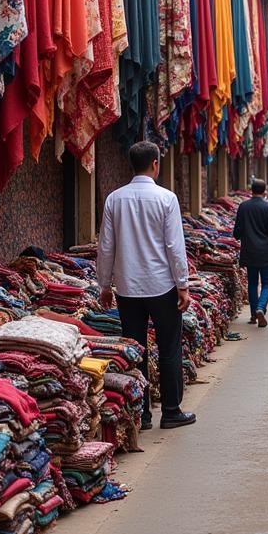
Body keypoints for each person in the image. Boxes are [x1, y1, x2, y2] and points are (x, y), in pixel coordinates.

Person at [97, 141, 195, 430]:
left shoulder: (115, 199)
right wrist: (183, 284)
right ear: (155, 163)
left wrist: (104, 284)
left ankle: (141, 414)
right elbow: (175, 246)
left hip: (127, 289)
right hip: (162, 286)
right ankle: (171, 410)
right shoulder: (167, 198)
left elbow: (106, 246)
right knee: (169, 348)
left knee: (135, 350)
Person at [233, 180, 268, 327]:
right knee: (267, 283)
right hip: (266, 252)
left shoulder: (243, 207)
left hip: (249, 251)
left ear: (251, 190)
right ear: (265, 191)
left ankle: (253, 315)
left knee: (252, 283)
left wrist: (244, 234)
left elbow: (236, 232)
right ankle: (261, 308)